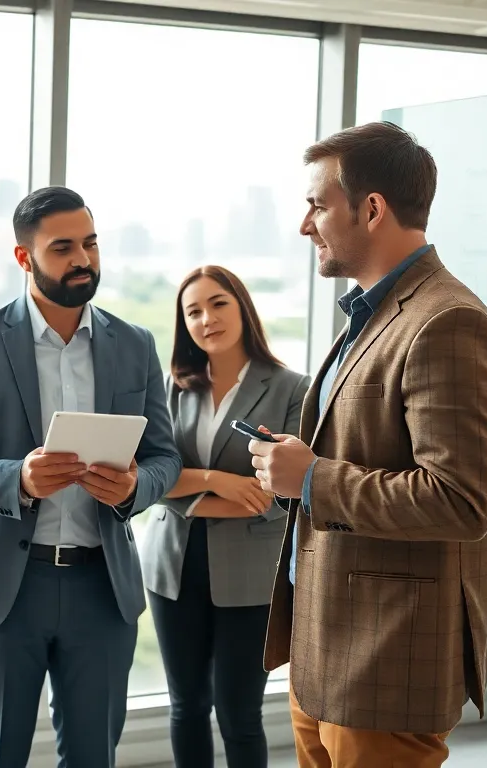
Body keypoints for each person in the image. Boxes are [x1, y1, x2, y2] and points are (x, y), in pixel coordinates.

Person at [248, 122, 487, 768]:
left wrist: (311, 478)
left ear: (371, 209)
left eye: (316, 204)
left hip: (386, 663)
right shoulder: (376, 313)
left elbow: (459, 500)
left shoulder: (447, 322)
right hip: (327, 649)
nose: (304, 225)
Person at [0, 186, 182, 768]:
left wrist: (135, 487)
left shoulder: (136, 343)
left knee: (94, 757)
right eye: (63, 248)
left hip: (102, 588)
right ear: (25, 258)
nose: (83, 260)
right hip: (4, 588)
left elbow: (166, 458)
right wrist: (19, 478)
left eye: (90, 244)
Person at [140, 265, 310, 768]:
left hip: (251, 576)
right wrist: (220, 482)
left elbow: (280, 491)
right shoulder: (171, 391)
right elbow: (149, 477)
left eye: (218, 304)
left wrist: (188, 484)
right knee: (186, 706)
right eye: (193, 311)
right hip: (172, 567)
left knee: (239, 714)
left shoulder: (291, 389)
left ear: (242, 308)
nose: (206, 319)